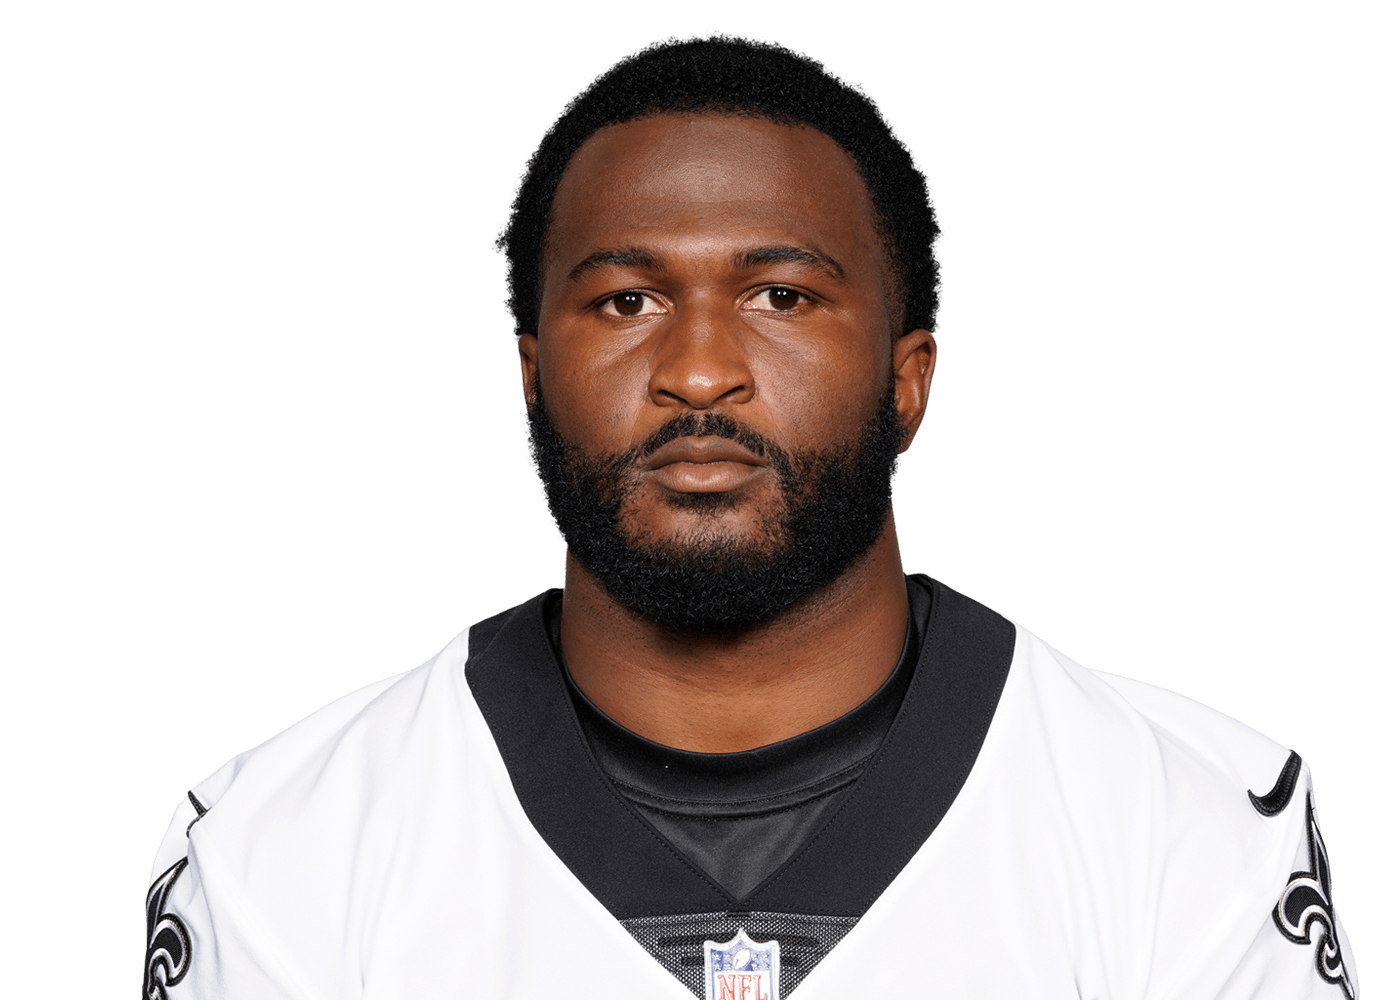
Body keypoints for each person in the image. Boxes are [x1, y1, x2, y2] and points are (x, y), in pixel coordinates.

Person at [142, 32, 1359, 1000]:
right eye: (625, 301)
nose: (698, 370)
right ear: (531, 371)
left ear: (906, 377)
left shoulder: (1184, 826)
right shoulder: (281, 848)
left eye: (780, 295)